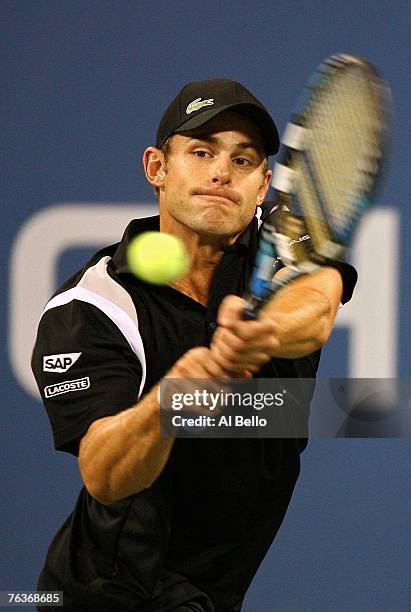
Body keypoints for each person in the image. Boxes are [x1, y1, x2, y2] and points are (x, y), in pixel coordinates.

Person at [32, 79, 357, 612]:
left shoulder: (289, 251)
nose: (221, 172)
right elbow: (104, 475)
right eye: (201, 151)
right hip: (110, 593)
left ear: (263, 185)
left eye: (244, 159)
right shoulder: (93, 306)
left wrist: (261, 333)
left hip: (219, 588)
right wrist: (169, 403)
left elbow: (319, 302)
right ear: (157, 168)